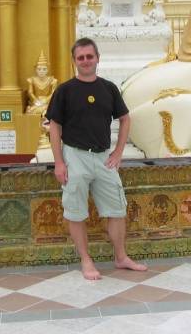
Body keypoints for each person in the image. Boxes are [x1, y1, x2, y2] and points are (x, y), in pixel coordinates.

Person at [46, 37, 147, 280]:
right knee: (76, 211)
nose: (85, 61)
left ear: (97, 58)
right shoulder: (65, 90)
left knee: (117, 208)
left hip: (103, 157)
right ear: (74, 61)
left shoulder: (108, 88)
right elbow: (54, 126)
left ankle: (121, 256)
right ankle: (86, 260)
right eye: (80, 57)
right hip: (75, 156)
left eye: (89, 56)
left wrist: (118, 152)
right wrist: (59, 162)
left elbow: (125, 119)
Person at [26, 50, 57, 116]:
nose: (41, 71)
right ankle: (43, 112)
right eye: (39, 69)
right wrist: (36, 100)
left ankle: (44, 112)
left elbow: (53, 93)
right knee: (30, 111)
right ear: (36, 70)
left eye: (44, 69)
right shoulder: (31, 80)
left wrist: (46, 100)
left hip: (48, 102)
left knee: (52, 109)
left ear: (48, 69)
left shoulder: (52, 80)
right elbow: (30, 92)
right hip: (36, 102)